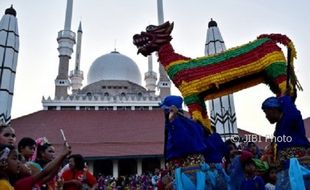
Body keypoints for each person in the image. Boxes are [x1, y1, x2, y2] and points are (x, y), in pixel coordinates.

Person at [261, 96, 310, 166]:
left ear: (273, 110)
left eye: (266, 112)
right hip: (287, 167)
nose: (266, 116)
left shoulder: (290, 117)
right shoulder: (278, 129)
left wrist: (283, 97)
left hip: (302, 165)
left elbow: (290, 108)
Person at [0, 142, 71, 190]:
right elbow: (45, 172)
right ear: (3, 162)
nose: (19, 162)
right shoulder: (20, 184)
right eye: (15, 158)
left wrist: (62, 157)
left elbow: (50, 175)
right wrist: (62, 155)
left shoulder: (33, 183)